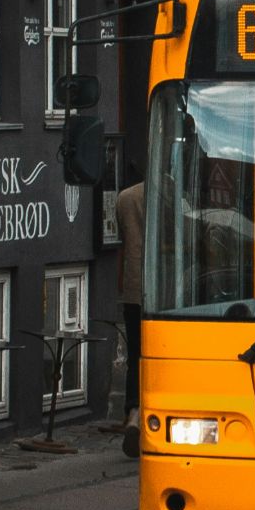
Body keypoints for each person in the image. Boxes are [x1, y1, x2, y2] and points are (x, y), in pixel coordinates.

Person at [114, 175, 145, 458]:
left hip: (133, 289)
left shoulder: (125, 198)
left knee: (135, 354)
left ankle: (134, 413)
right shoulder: (174, 196)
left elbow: (122, 240)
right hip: (164, 293)